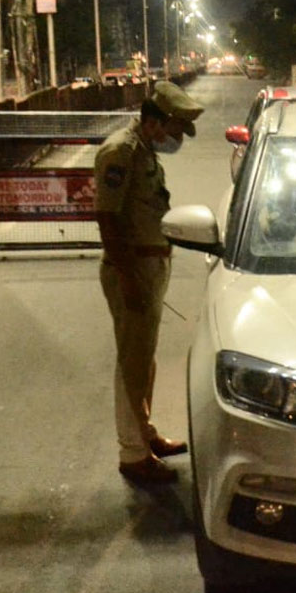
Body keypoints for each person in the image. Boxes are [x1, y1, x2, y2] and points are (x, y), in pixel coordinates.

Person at [94, 81, 204, 487]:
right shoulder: (120, 152)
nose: (176, 139)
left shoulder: (142, 152)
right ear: (153, 121)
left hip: (149, 265)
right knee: (131, 364)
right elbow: (108, 218)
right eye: (174, 130)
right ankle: (133, 453)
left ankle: (145, 433)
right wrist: (127, 279)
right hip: (133, 267)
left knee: (145, 359)